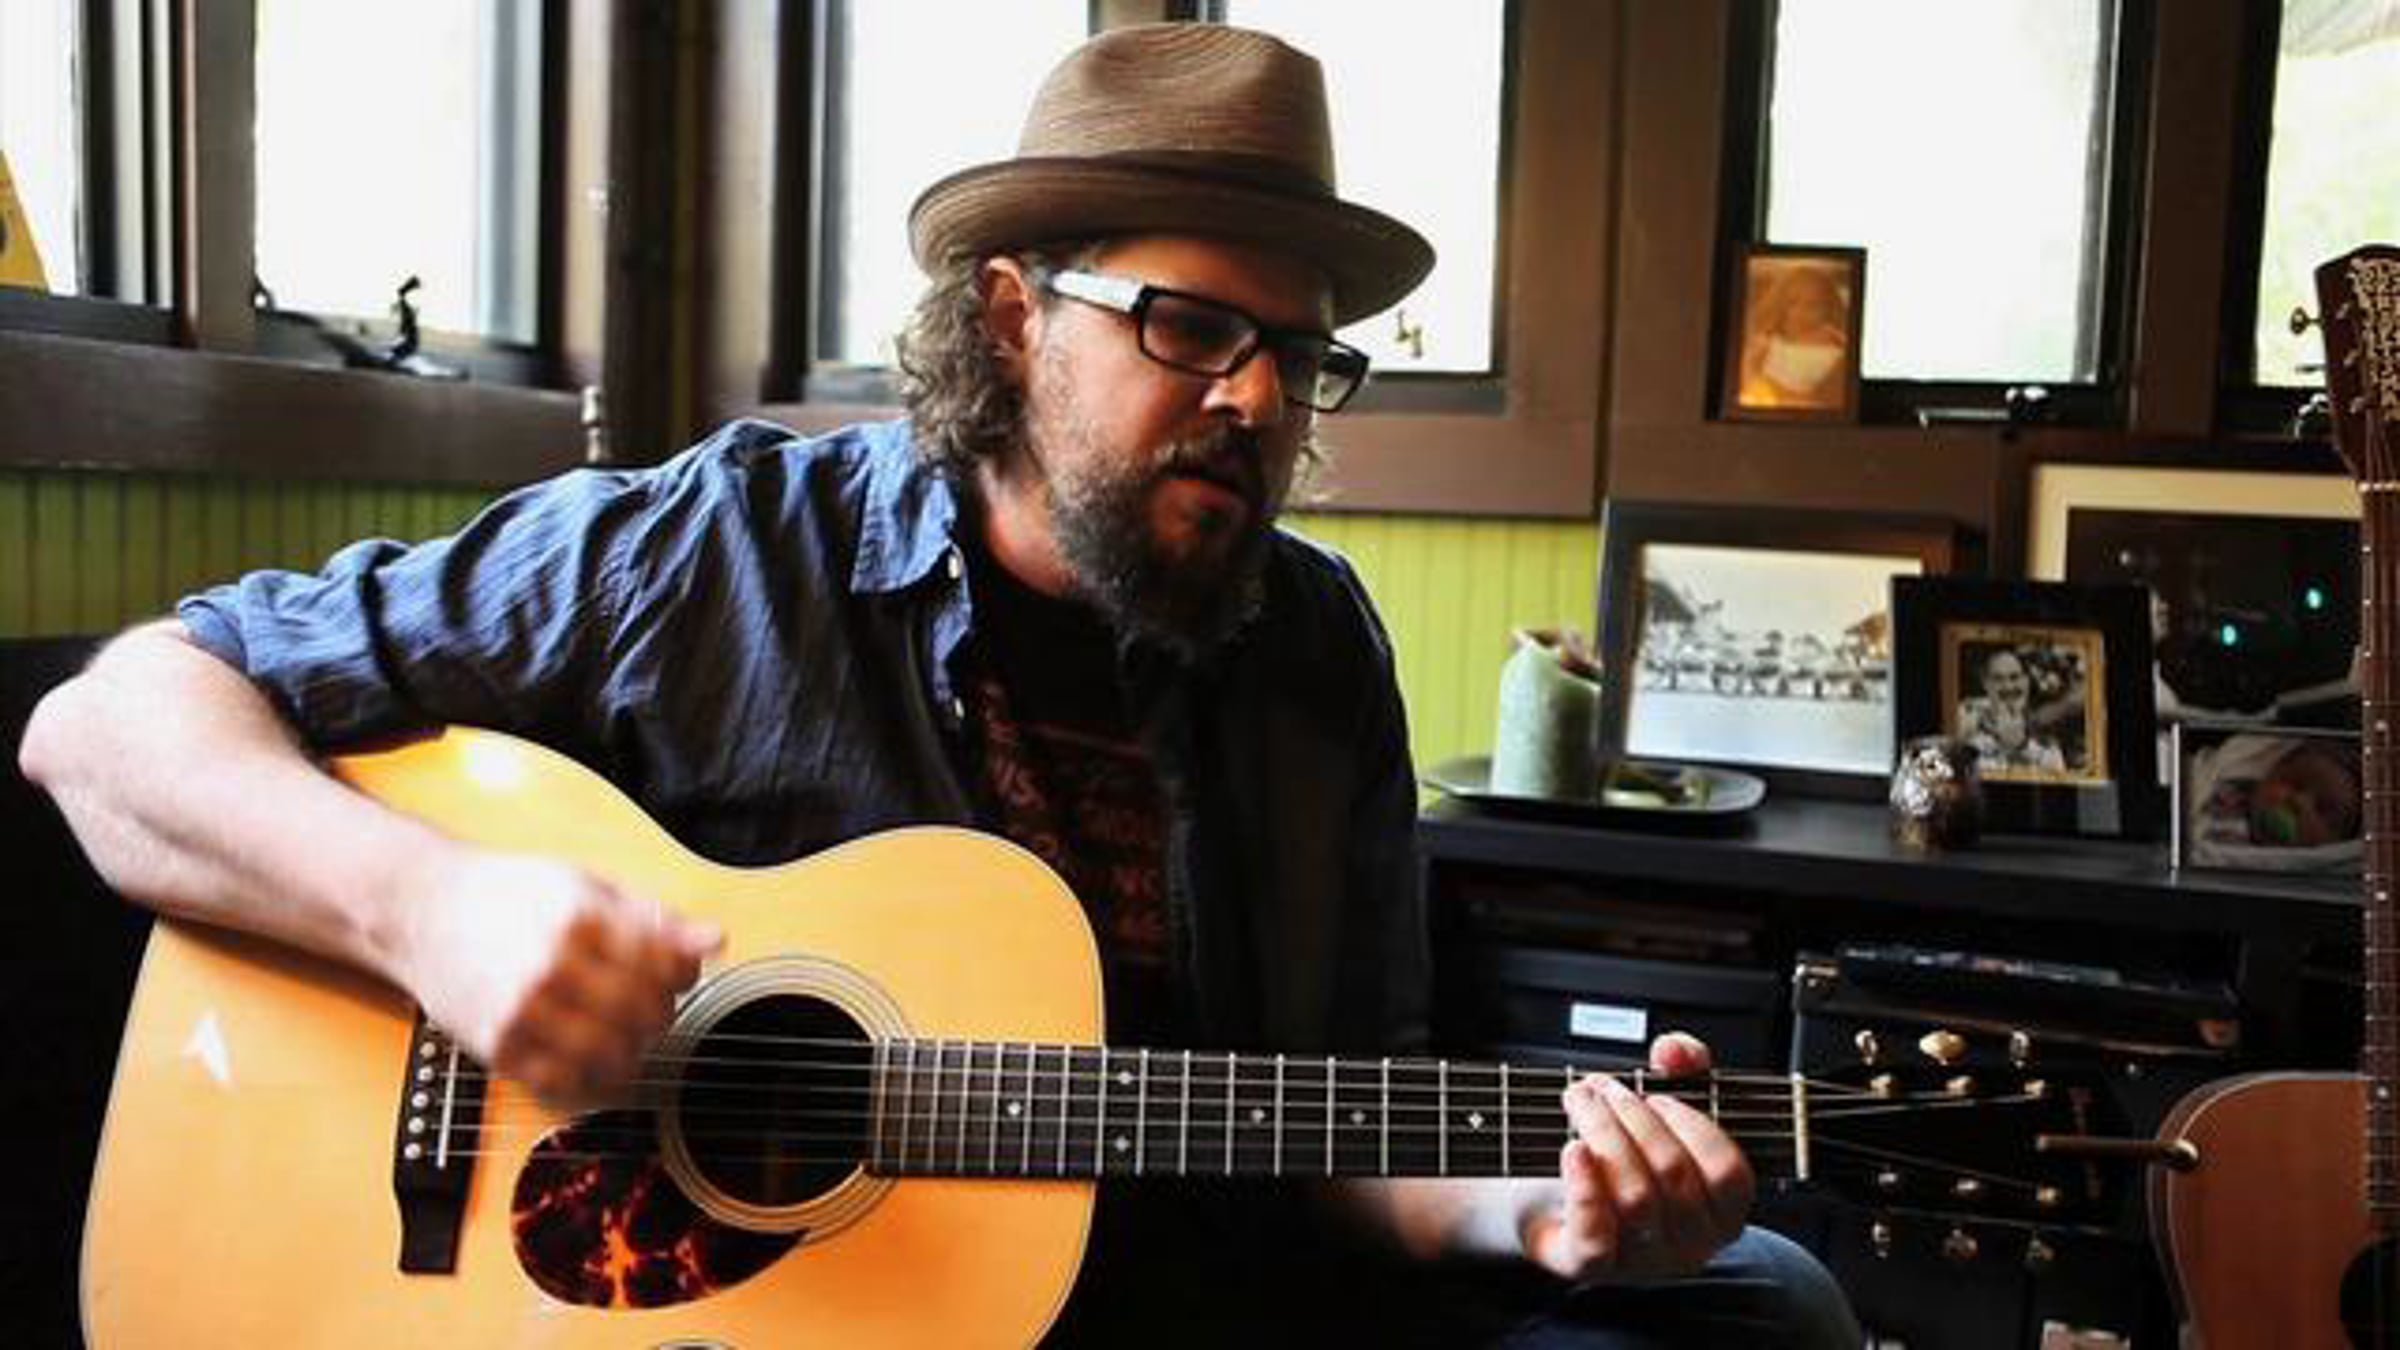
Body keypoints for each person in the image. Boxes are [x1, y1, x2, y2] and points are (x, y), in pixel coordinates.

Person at [21, 23, 1855, 1348]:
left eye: (1299, 357)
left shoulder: (1313, 651)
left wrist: (1549, 1211)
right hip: (777, 1300)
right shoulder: (712, 552)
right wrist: (431, 912)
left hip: (1178, 1291)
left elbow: (1351, 1124)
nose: (1255, 399)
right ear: (1009, 317)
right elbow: (107, 724)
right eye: (1190, 328)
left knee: (1763, 1299)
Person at [1956, 646, 2069, 775]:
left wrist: (2021, 748)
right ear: (1985, 683)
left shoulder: (2047, 741)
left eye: (2014, 677)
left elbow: (2057, 780)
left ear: (2026, 682)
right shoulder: (1965, 722)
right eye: (1998, 679)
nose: (2008, 686)